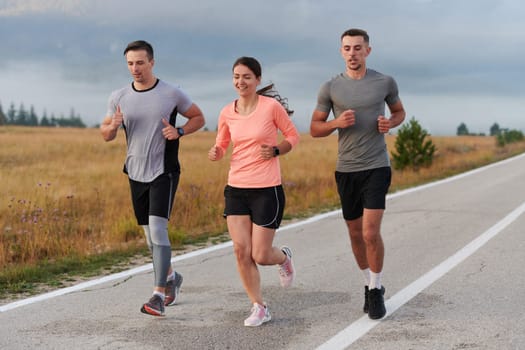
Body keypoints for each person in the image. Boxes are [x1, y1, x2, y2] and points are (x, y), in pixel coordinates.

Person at [100, 40, 205, 316]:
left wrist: (179, 132)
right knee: (149, 238)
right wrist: (112, 127)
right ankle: (172, 278)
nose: (135, 68)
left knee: (158, 231)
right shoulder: (119, 96)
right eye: (130, 63)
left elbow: (198, 117)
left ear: (152, 62)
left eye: (140, 63)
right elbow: (106, 133)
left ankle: (158, 295)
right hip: (135, 171)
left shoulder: (171, 93)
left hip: (164, 170)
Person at [310, 28, 406, 320]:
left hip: (377, 165)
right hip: (347, 169)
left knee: (369, 232)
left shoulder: (384, 82)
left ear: (368, 51)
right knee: (354, 233)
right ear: (341, 52)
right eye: (347, 48)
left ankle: (376, 290)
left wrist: (391, 123)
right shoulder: (330, 88)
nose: (352, 53)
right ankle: (368, 281)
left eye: (357, 48)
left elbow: (400, 112)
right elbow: (315, 128)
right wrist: (336, 122)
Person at [208, 57, 299, 327]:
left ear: (257, 79)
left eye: (247, 76)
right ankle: (259, 306)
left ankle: (283, 258)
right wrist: (217, 152)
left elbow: (292, 136)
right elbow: (222, 143)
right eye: (236, 76)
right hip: (236, 187)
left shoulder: (270, 107)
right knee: (240, 251)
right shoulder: (227, 111)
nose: (241, 82)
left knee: (260, 254)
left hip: (266, 188)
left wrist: (275, 150)